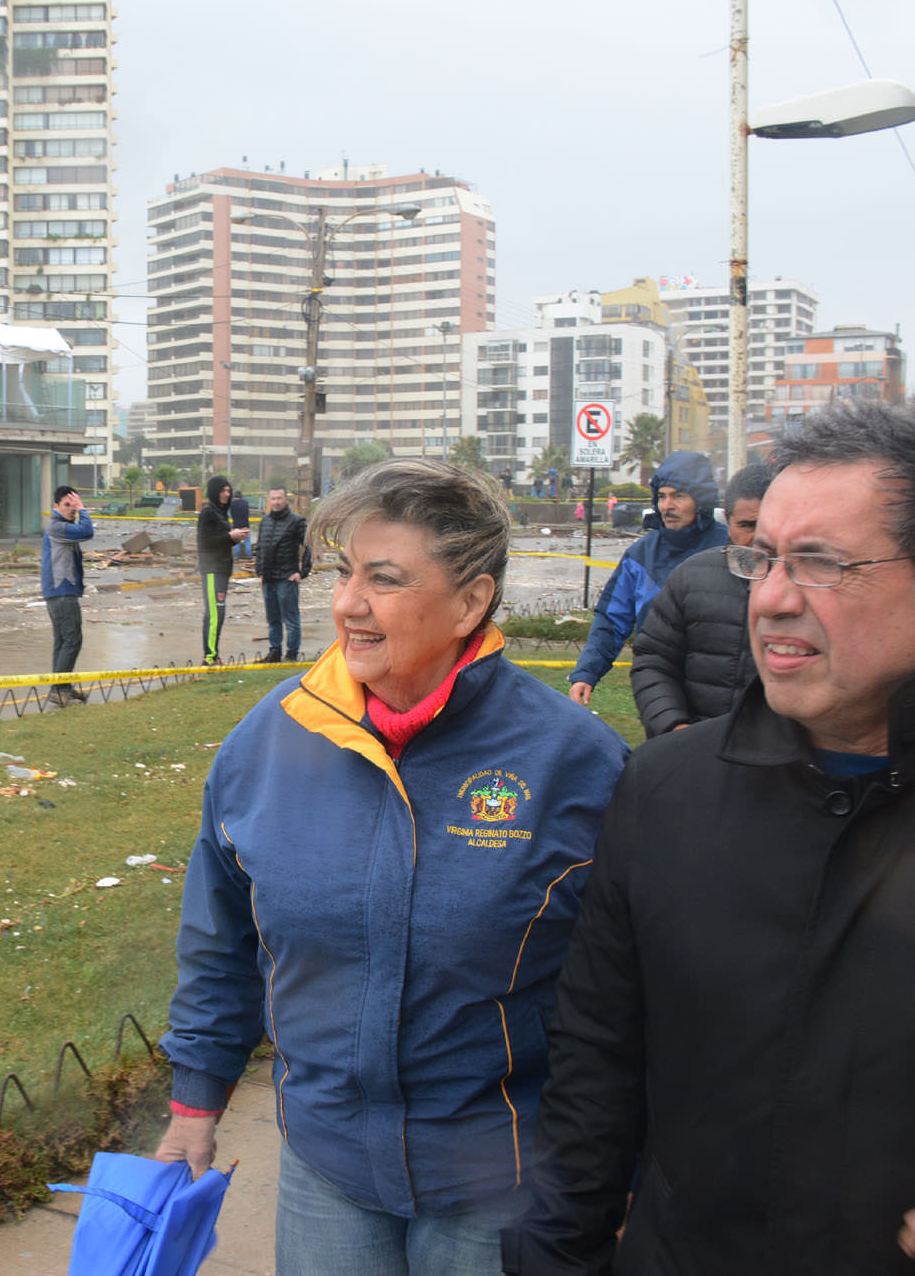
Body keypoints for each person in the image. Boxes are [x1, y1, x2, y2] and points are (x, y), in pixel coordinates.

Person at [508, 403, 915, 1276]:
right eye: (761, 558)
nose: (767, 597)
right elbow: (594, 1075)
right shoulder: (661, 792)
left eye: (818, 564)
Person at [159, 458, 628, 1276]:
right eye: (344, 573)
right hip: (325, 1167)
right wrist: (195, 1101)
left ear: (471, 600)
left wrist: (621, 1163)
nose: (347, 604)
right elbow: (219, 936)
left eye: (384, 579)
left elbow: (633, 989)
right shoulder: (269, 742)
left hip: (500, 1178)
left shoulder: (575, 762)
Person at [566, 452, 727, 706]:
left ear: (701, 500)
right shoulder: (640, 554)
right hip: (659, 685)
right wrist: (587, 672)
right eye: (662, 496)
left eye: (678, 496)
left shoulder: (729, 549)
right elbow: (611, 619)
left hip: (720, 688)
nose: (667, 506)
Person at [627, 461, 773, 737]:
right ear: (727, 522)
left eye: (767, 524)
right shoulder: (690, 578)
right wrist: (673, 727)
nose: (758, 537)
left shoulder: (809, 588)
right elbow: (653, 661)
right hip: (692, 751)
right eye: (747, 525)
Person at [39, 485, 92, 707]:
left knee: (62, 642)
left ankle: (62, 687)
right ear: (56, 506)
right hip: (62, 593)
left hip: (58, 592)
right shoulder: (57, 527)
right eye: (67, 505)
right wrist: (83, 509)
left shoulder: (62, 527)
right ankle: (59, 689)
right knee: (72, 640)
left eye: (74, 504)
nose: (72, 509)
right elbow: (87, 531)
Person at [252, 485, 308, 662]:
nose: (276, 502)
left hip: (287, 577)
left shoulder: (297, 521)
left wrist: (302, 572)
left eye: (279, 498)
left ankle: (291, 654)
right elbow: (260, 547)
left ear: (286, 500)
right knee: (273, 618)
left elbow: (309, 546)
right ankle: (274, 652)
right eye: (273, 498)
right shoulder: (265, 521)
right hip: (268, 578)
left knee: (291, 619)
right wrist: (259, 570)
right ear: (269, 500)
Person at [197, 476, 247, 664]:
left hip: (222, 569)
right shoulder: (208, 512)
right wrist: (230, 536)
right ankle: (209, 657)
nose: (227, 494)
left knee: (219, 614)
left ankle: (213, 653)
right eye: (223, 491)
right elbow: (205, 542)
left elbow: (220, 539)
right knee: (214, 614)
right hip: (212, 569)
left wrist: (233, 538)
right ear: (214, 491)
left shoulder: (220, 512)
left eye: (228, 490)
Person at [230, 485, 254, 567]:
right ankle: (249, 557)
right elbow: (247, 514)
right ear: (241, 496)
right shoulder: (245, 502)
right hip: (245, 525)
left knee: (236, 542)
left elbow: (232, 514)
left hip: (236, 525)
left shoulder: (232, 504)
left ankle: (237, 557)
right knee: (247, 541)